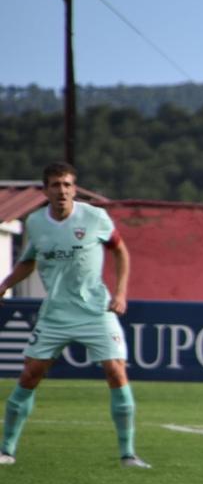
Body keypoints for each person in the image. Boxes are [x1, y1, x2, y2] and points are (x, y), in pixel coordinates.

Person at [0, 162, 149, 468]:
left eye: (67, 185)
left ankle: (128, 454)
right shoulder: (36, 222)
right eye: (55, 185)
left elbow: (120, 250)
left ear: (74, 188)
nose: (62, 191)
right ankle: (6, 450)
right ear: (46, 191)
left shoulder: (95, 217)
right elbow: (29, 262)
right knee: (30, 375)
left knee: (116, 370)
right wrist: (5, 284)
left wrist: (120, 293)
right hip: (55, 313)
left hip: (96, 310)